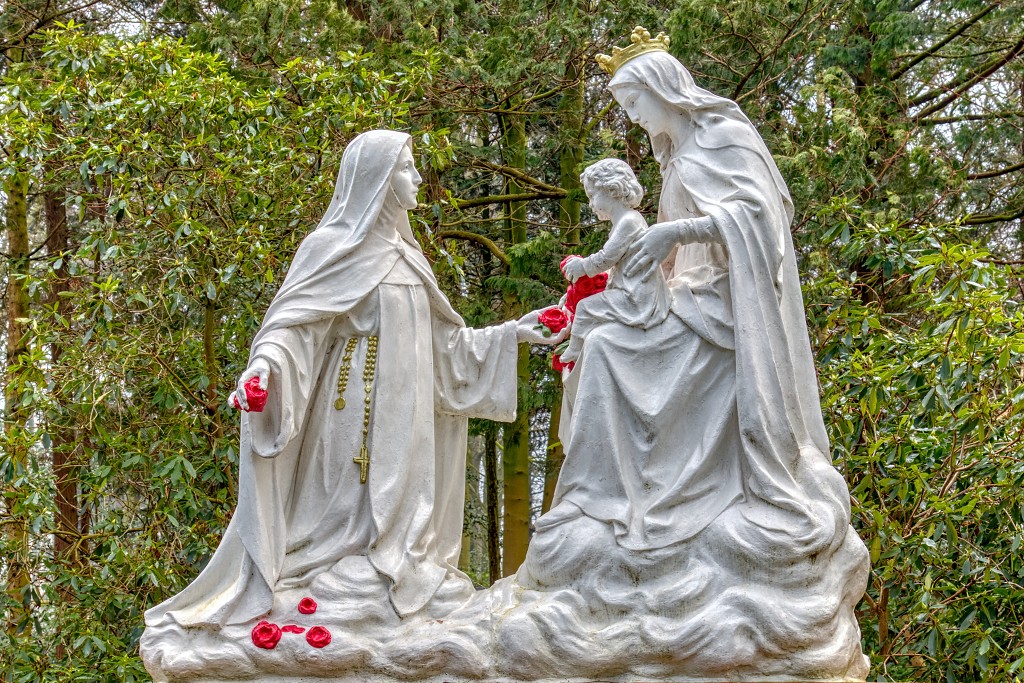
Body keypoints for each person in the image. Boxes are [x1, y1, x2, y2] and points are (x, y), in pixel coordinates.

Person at [506, 32, 869, 680]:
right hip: (689, 295)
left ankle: (631, 501)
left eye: (635, 104)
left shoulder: (724, 140)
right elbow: (667, 252)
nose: (633, 120)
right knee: (605, 339)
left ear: (664, 92)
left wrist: (680, 232)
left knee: (613, 350)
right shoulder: (676, 160)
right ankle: (600, 505)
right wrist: (651, 268)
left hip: (726, 310)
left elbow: (759, 221)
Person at [142, 130, 562, 650]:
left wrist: (511, 333)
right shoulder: (331, 248)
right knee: (335, 507)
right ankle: (320, 574)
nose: (416, 180)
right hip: (348, 406)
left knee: (403, 514)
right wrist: (264, 371)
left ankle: (395, 574)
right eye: (407, 169)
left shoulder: (411, 258)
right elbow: (290, 328)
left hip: (405, 415)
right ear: (380, 181)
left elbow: (447, 348)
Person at [558, 158, 669, 363]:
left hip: (636, 297)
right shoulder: (624, 221)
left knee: (585, 308)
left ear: (612, 189)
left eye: (592, 196)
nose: (590, 204)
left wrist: (582, 266)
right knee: (589, 306)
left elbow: (607, 257)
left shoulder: (628, 221)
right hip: (631, 289)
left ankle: (575, 349)